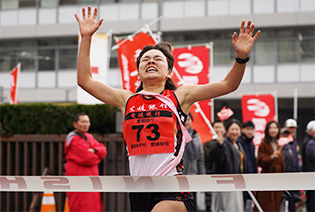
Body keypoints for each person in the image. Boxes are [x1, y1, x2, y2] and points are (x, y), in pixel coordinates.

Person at [74, 6, 260, 212]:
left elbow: (228, 85)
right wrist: (86, 38)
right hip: (139, 189)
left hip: (172, 189)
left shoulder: (180, 96)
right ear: (138, 72)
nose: (151, 61)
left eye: (157, 59)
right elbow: (85, 81)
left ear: (169, 72)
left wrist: (241, 58)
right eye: (145, 59)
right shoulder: (126, 100)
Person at [64, 112, 107, 212]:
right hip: (78, 177)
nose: (86, 124)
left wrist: (95, 150)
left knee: (93, 205)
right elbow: (87, 158)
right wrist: (98, 154)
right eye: (83, 122)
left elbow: (103, 150)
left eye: (87, 122)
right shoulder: (73, 139)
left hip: (91, 177)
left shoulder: (89, 137)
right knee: (80, 205)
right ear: (75, 124)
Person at [209, 118, 245, 212]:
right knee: (225, 207)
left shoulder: (239, 145)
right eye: (232, 129)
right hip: (225, 182)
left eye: (237, 129)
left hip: (237, 182)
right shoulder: (223, 143)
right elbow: (216, 158)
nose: (235, 132)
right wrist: (219, 146)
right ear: (227, 131)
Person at [254, 121, 285, 212]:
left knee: (276, 204)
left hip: (278, 179)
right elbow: (260, 160)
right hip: (267, 178)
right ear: (267, 130)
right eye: (271, 128)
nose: (273, 130)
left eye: (275, 128)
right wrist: (271, 157)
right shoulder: (263, 144)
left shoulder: (278, 144)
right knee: (266, 204)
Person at [182, 113, 206, 210]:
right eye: (184, 119)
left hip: (193, 176)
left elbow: (200, 159)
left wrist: (202, 178)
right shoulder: (176, 135)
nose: (186, 122)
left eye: (188, 120)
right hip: (180, 176)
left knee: (192, 204)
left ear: (192, 121)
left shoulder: (196, 137)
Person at [203, 120, 226, 211]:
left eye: (220, 127)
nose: (218, 129)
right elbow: (208, 158)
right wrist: (218, 146)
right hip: (211, 176)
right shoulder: (207, 144)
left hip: (226, 176)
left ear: (224, 129)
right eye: (216, 127)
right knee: (211, 204)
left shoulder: (228, 143)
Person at [237, 120, 257, 212]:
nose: (249, 131)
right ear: (242, 130)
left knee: (249, 200)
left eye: (251, 129)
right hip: (242, 177)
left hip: (251, 177)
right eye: (247, 129)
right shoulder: (239, 142)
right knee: (242, 201)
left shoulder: (251, 144)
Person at [301, 120, 315, 212]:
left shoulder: (308, 141)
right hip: (311, 175)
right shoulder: (310, 142)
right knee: (312, 200)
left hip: (310, 174)